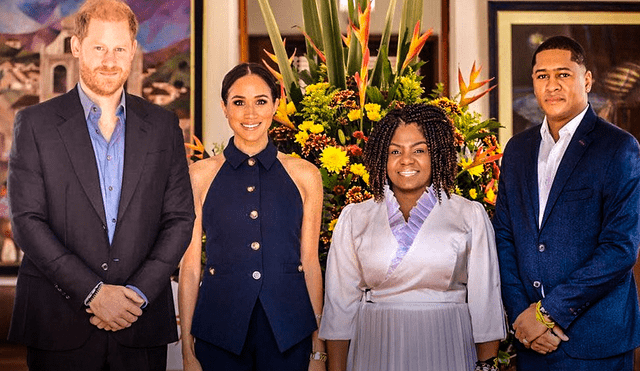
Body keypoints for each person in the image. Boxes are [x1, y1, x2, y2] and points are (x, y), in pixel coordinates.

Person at [7, 0, 195, 369]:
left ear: (133, 50)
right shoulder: (34, 124)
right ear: (77, 46)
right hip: (57, 324)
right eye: (99, 47)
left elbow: (179, 219)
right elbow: (27, 222)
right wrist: (93, 293)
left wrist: (137, 294)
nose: (109, 60)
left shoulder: (163, 126)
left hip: (139, 322)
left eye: (119, 48)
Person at [319, 104, 506, 371]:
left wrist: (486, 366)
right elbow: (340, 305)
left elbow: (485, 300)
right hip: (375, 346)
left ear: (438, 154)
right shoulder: (355, 217)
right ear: (381, 157)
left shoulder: (469, 214)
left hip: (448, 343)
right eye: (395, 151)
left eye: (419, 150)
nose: (406, 160)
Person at [493, 35, 640, 370]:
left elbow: (620, 247)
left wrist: (546, 313)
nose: (552, 85)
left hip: (594, 342)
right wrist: (521, 315)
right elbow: (504, 235)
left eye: (563, 74)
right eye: (542, 75)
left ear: (586, 79)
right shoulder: (517, 150)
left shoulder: (618, 148)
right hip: (531, 339)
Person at [178, 62, 326, 371]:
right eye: (238, 102)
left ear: (275, 105)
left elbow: (310, 263)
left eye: (261, 101)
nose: (250, 113)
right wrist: (187, 352)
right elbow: (191, 267)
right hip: (218, 332)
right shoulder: (198, 176)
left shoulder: (305, 175)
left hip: (290, 332)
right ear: (224, 108)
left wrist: (317, 349)